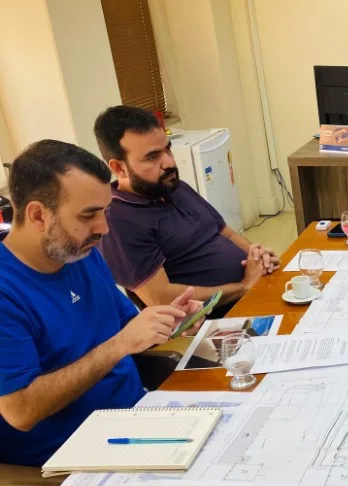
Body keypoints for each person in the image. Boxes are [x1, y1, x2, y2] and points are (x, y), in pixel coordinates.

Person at [0, 140, 203, 466]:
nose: (104, 228)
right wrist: (120, 345)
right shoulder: (7, 291)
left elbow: (125, 328)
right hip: (73, 458)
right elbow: (20, 410)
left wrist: (163, 322)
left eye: (105, 211)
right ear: (38, 215)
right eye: (89, 215)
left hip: (139, 419)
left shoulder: (80, 254)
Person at [93, 106, 280, 318]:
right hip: (213, 321)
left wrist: (257, 256)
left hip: (252, 295)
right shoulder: (119, 221)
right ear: (119, 168)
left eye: (168, 149)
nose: (170, 162)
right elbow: (161, 298)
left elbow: (226, 233)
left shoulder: (172, 186)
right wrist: (244, 286)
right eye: (152, 157)